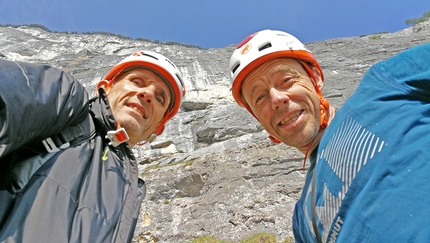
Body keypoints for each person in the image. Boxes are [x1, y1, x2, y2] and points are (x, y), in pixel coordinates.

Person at [229, 29, 430, 242]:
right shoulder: (302, 220)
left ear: (315, 78)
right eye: (260, 97)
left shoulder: (381, 86)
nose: (276, 98)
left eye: (286, 80)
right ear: (260, 120)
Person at [0, 50, 186, 242]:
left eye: (159, 98)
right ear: (104, 88)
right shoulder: (68, 100)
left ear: (158, 127)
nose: (147, 94)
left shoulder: (132, 190)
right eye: (137, 82)